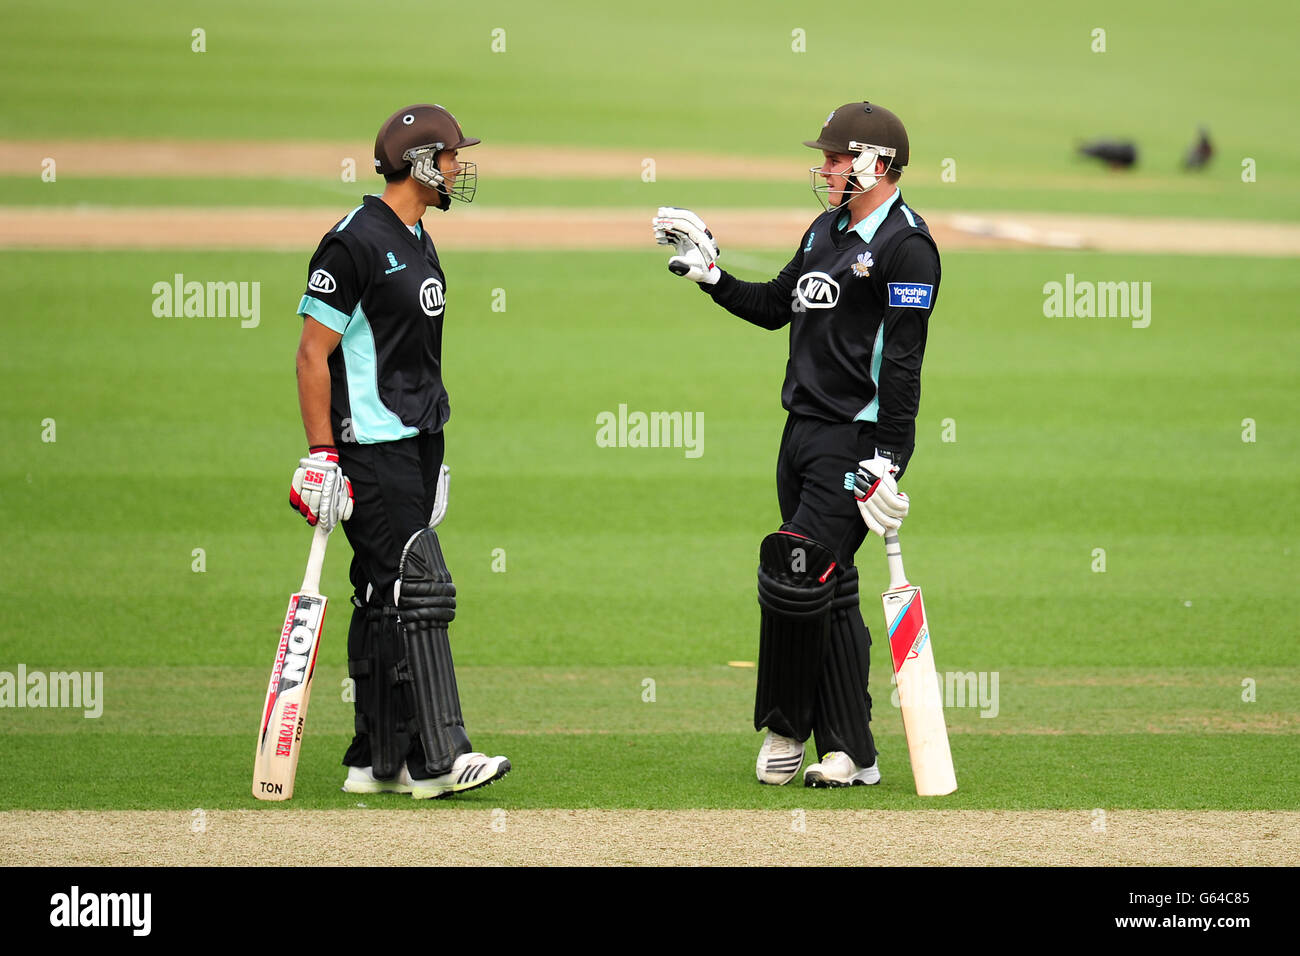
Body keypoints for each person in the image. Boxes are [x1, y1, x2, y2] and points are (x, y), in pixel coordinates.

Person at [653, 101, 940, 787]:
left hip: (855, 442)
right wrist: (713, 277)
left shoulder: (908, 247)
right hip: (799, 436)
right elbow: (778, 304)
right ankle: (851, 752)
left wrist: (887, 461)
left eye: (837, 158)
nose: (827, 168)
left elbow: (903, 363)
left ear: (875, 162)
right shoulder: (825, 230)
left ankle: (786, 729)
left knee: (795, 571)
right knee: (832, 588)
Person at [291, 103, 509, 798]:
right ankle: (440, 759)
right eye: (449, 157)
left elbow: (414, 356)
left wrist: (433, 452)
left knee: (381, 594)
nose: (457, 168)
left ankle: (376, 759)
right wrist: (322, 454)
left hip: (413, 445)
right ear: (419, 164)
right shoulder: (353, 242)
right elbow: (311, 354)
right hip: (369, 449)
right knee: (421, 589)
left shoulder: (417, 236)